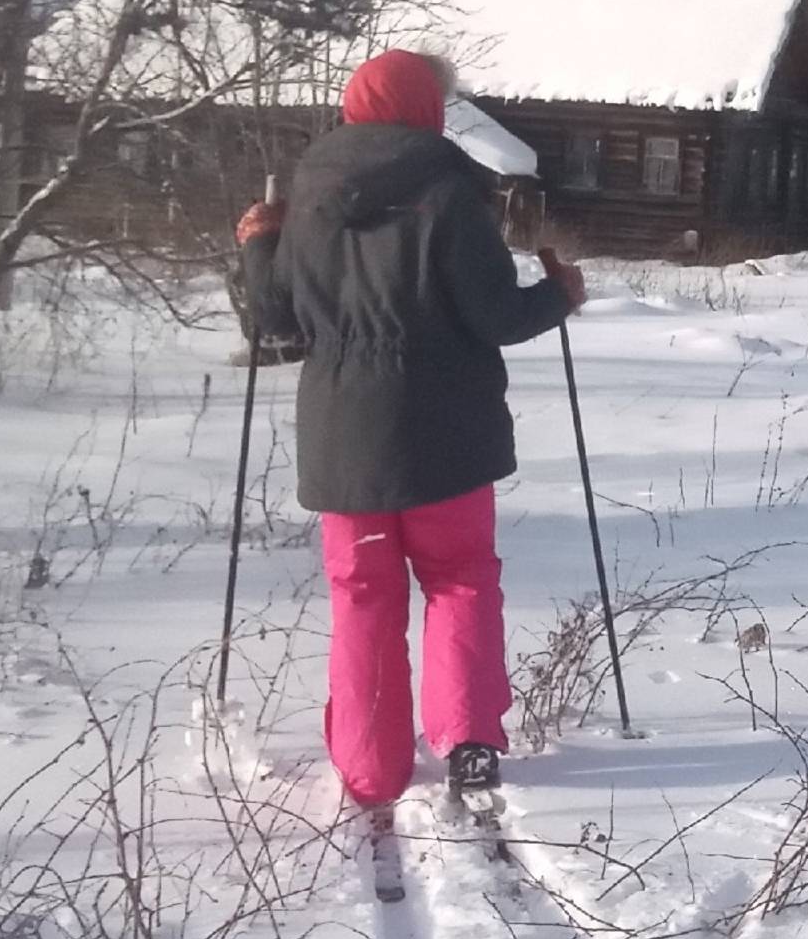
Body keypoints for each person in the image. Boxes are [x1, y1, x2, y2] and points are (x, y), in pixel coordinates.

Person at [237, 48, 583, 812]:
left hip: (344, 439)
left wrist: (260, 247)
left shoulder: (311, 193)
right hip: (447, 434)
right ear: (430, 109)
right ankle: (467, 745)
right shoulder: (451, 190)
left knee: (363, 596)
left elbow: (279, 318)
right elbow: (495, 314)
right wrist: (558, 295)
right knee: (459, 580)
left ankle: (369, 770)